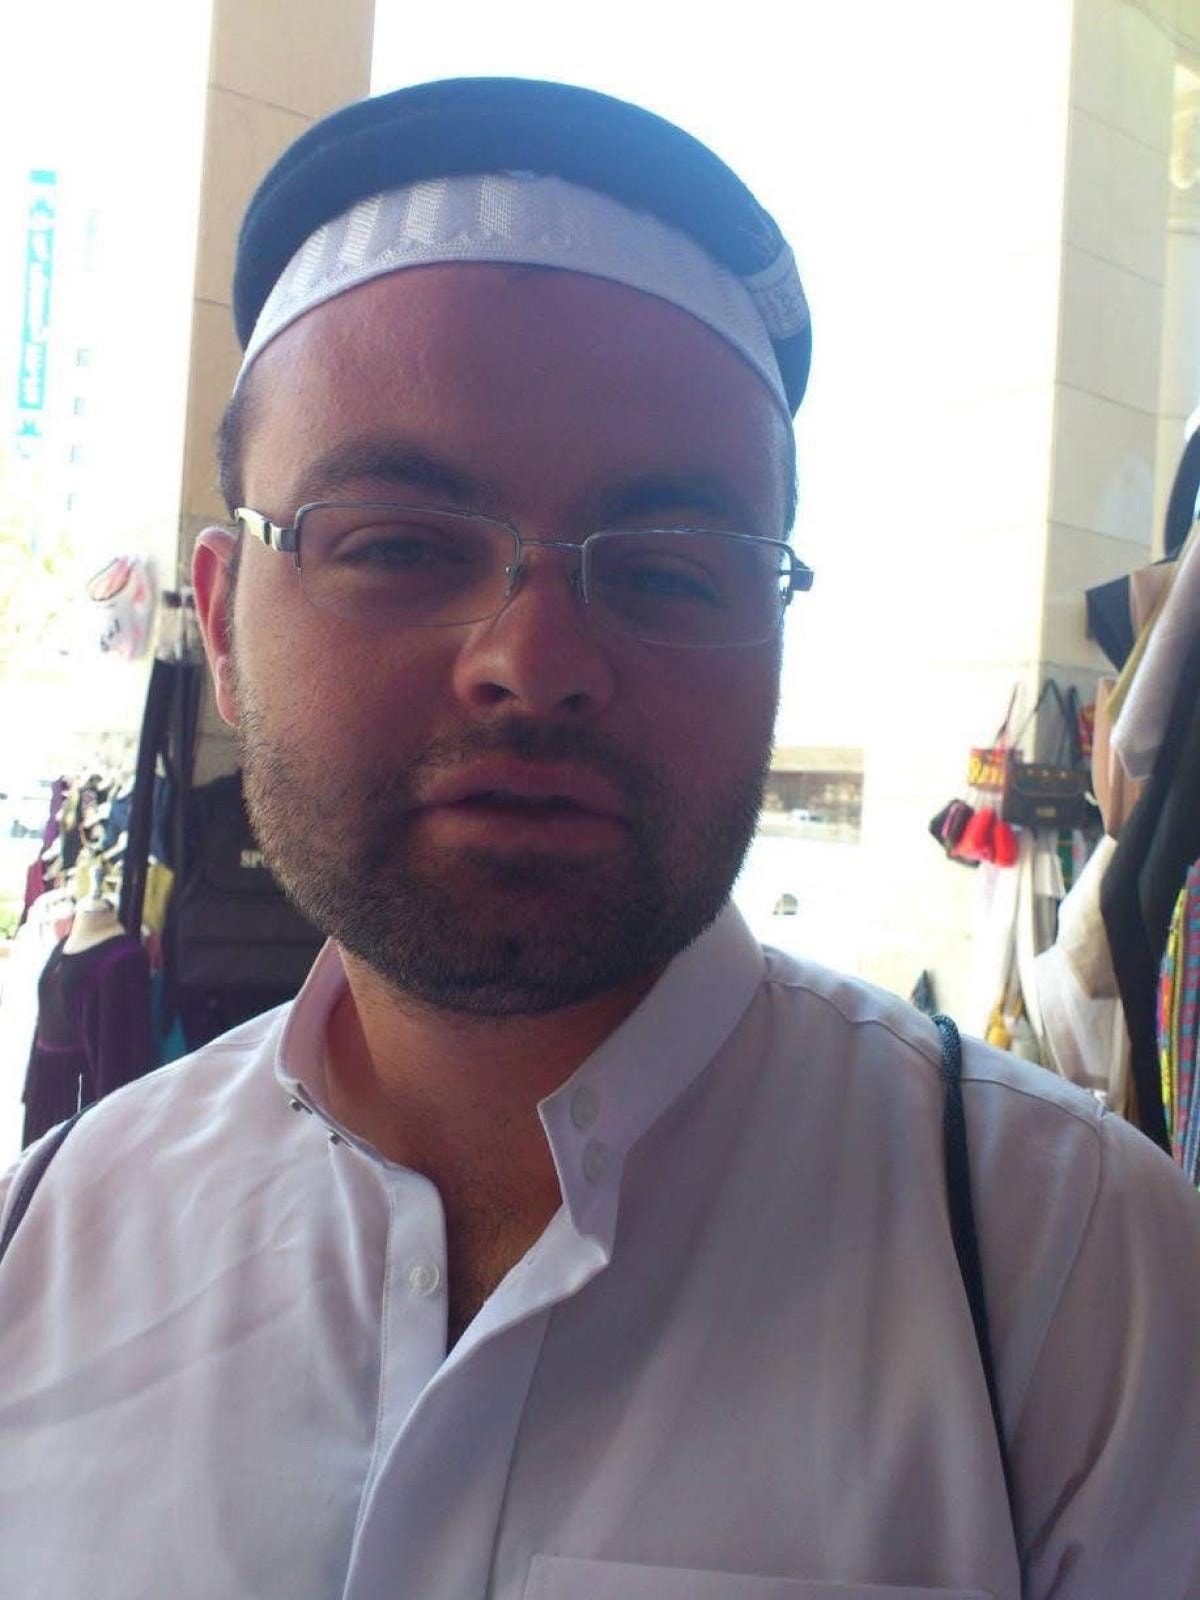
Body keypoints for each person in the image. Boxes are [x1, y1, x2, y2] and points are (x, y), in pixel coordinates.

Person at [2, 76, 1198, 1600]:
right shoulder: (48, 1242)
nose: (533, 657)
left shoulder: (1071, 1281)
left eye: (672, 569)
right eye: (399, 544)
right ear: (225, 624)